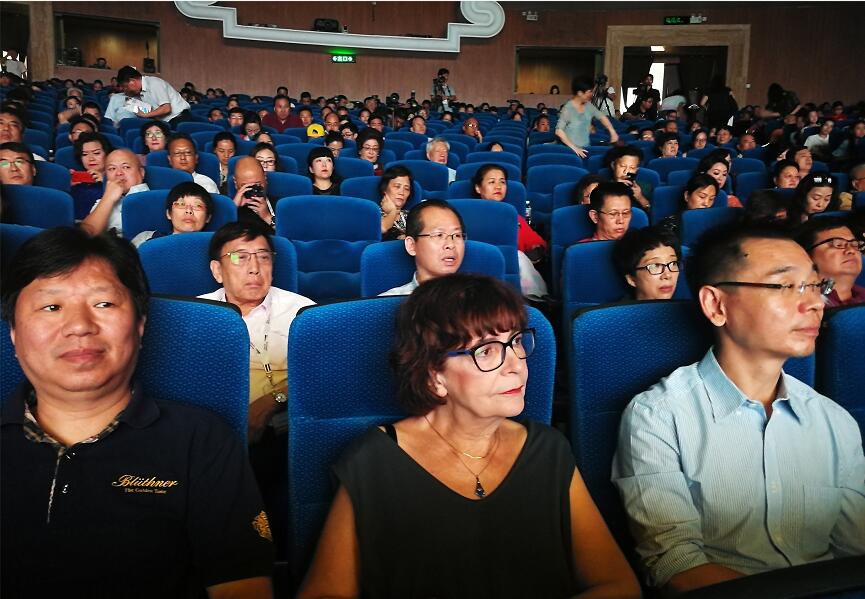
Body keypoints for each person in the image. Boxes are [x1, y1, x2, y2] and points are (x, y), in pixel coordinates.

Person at [298, 273, 641, 599]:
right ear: (434, 376)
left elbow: (619, 585)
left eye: (516, 342)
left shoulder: (548, 449)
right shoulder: (372, 461)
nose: (516, 365)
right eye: (487, 350)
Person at [0, 227, 275, 598]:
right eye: (51, 307)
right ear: (14, 333)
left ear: (141, 325)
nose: (79, 326)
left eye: (104, 304)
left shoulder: (201, 442)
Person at [613, 223, 865, 595]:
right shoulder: (658, 416)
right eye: (785, 286)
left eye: (815, 285)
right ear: (716, 305)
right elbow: (677, 565)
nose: (815, 303)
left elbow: (854, 554)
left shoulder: (834, 421)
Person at [380, 200, 467, 296]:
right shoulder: (387, 302)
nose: (451, 244)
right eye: (439, 235)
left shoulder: (476, 298)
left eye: (457, 235)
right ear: (411, 246)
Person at [796, 216, 865, 306]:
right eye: (838, 244)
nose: (851, 250)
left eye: (854, 244)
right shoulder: (802, 307)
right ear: (807, 255)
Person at [81, 148, 150, 236]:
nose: (119, 173)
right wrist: (108, 198)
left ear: (142, 172)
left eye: (126, 167)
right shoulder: (104, 200)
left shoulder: (155, 201)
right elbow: (86, 235)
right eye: (112, 168)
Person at [131, 181, 213, 247]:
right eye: (181, 204)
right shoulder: (146, 239)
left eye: (197, 205)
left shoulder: (216, 247)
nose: (188, 210)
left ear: (208, 217)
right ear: (168, 213)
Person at [555, 77, 619, 159]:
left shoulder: (588, 105)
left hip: (585, 149)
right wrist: (574, 148)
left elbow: (602, 117)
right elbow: (559, 131)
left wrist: (612, 131)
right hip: (570, 151)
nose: (591, 94)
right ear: (580, 93)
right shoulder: (568, 108)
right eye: (589, 92)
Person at [613, 226, 682, 300]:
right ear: (631, 279)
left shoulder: (686, 306)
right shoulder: (619, 308)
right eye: (655, 266)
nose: (667, 275)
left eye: (673, 263)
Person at [115, 66, 190, 126]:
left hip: (180, 118)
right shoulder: (142, 91)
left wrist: (145, 115)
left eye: (125, 86)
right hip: (167, 121)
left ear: (132, 81)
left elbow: (166, 108)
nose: (125, 90)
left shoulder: (154, 83)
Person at [70, 132, 114, 220]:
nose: (91, 158)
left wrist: (105, 182)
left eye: (96, 153)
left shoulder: (117, 177)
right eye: (85, 154)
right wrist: (67, 188)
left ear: (107, 154)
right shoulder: (75, 181)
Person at [232, 156, 275, 229]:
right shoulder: (228, 207)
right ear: (235, 183)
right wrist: (233, 208)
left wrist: (267, 217)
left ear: (265, 178)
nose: (253, 190)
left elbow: (290, 234)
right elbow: (218, 234)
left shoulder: (280, 205)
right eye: (246, 186)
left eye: (257, 185)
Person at [604, 145, 651, 210]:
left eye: (632, 167)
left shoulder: (645, 187)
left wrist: (640, 198)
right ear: (613, 165)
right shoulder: (602, 186)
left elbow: (653, 213)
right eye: (622, 166)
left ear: (636, 169)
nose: (626, 171)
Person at [379, 166, 413, 241]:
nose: (402, 192)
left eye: (406, 189)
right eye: (397, 186)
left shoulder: (411, 215)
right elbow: (382, 229)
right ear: (384, 189)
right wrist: (392, 212)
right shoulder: (374, 213)